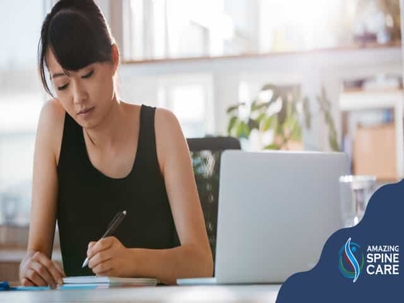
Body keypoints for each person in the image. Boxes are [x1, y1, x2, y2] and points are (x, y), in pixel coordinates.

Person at [19, 0, 213, 287]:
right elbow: (36, 252)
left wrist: (131, 262)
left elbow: (200, 262)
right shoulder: (53, 123)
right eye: (62, 84)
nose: (77, 96)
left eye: (87, 75)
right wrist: (31, 266)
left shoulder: (162, 128)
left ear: (113, 59)